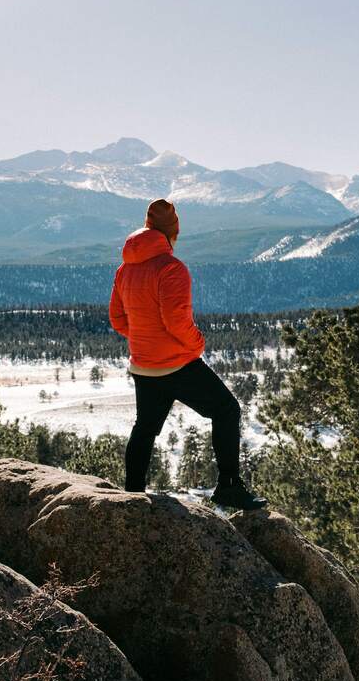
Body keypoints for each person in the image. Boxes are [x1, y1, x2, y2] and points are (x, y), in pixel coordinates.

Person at [109, 198, 267, 511]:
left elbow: (118, 319)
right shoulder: (171, 268)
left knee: (145, 429)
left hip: (144, 365)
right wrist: (196, 344)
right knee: (226, 410)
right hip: (177, 364)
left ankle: (132, 495)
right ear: (172, 233)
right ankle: (229, 487)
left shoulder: (125, 269)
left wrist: (145, 338)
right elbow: (176, 320)